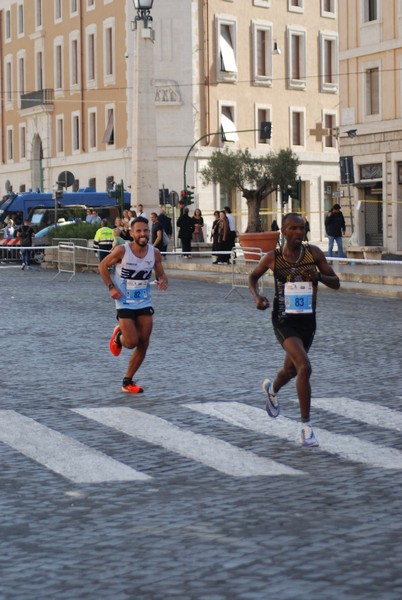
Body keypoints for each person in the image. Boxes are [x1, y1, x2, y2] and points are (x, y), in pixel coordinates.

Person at [248, 212, 340, 448]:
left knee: (290, 371)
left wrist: (318, 276)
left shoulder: (314, 254)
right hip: (283, 320)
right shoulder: (272, 258)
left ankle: (271, 389)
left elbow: (336, 282)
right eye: (294, 228)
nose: (300, 232)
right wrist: (258, 297)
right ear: (284, 232)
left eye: (302, 228)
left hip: (308, 321)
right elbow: (252, 278)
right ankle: (306, 428)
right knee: (304, 367)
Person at [98, 217, 168, 393]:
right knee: (131, 343)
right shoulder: (122, 251)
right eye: (138, 231)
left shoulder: (155, 253)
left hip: (144, 300)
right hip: (124, 301)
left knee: (144, 343)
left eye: (145, 230)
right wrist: (111, 288)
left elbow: (161, 274)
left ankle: (127, 381)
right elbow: (102, 266)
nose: (143, 234)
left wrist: (162, 281)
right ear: (131, 233)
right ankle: (119, 336)